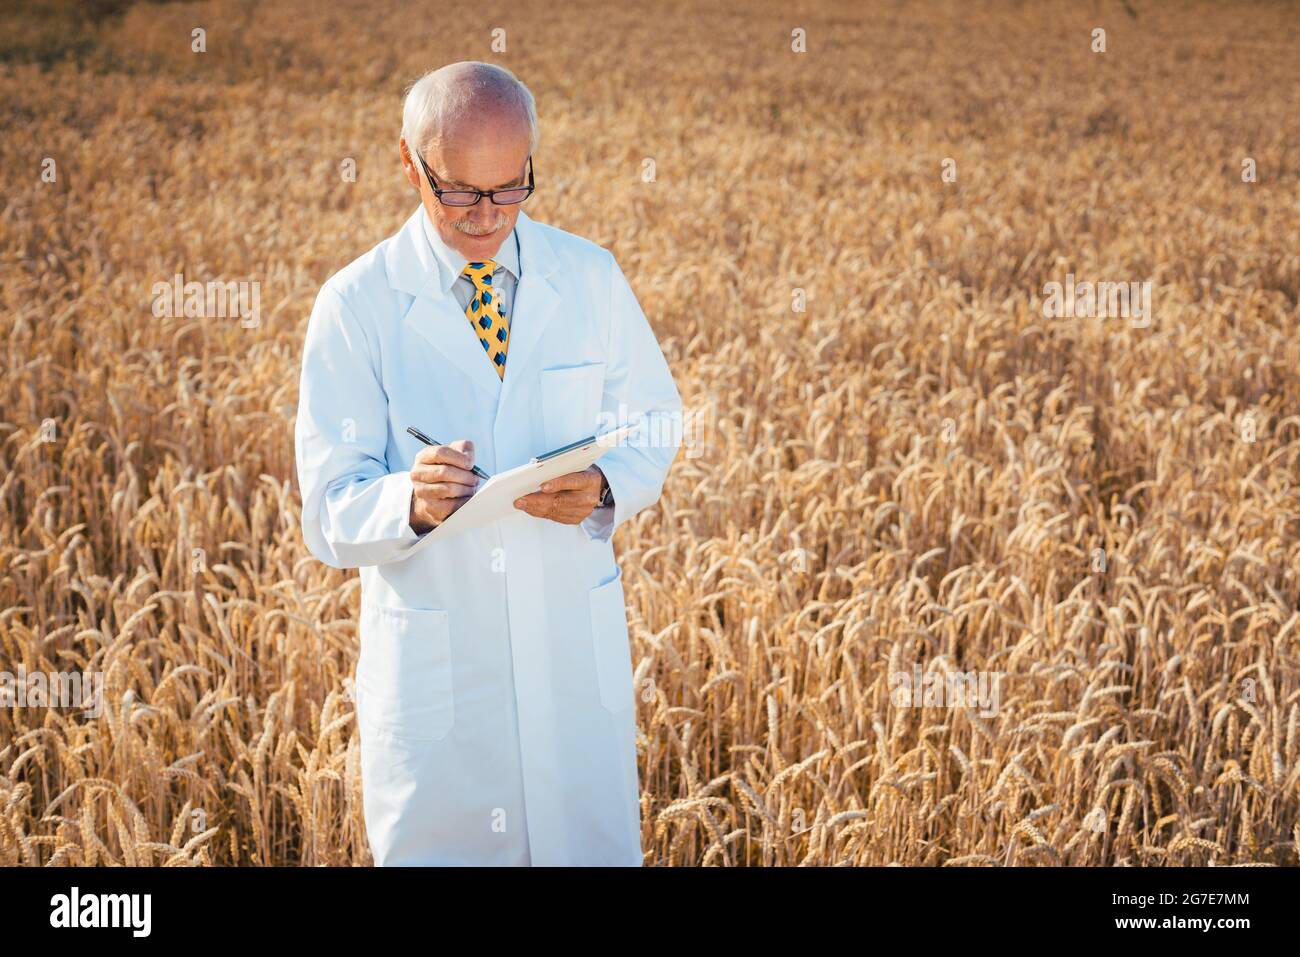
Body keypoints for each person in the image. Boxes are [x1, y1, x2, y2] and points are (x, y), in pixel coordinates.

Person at [294, 61, 682, 865]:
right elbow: (330, 503)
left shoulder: (589, 277)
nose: (488, 216)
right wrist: (410, 497)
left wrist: (607, 485)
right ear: (410, 162)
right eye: (461, 191)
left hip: (571, 656)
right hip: (441, 687)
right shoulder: (357, 304)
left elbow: (654, 418)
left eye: (511, 189)